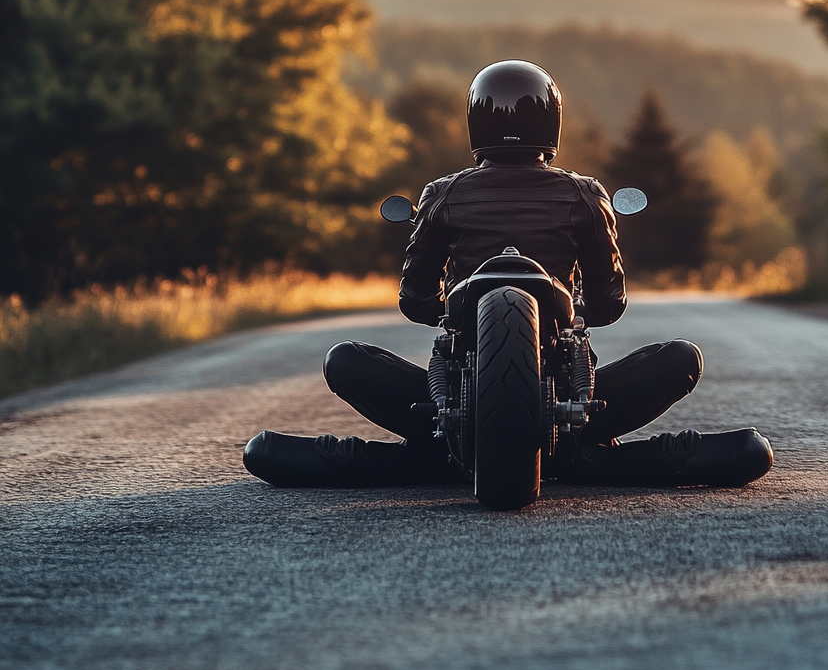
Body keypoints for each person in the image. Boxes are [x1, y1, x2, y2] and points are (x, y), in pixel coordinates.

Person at [243, 61, 773, 490]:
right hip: (571, 409)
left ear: (476, 121)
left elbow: (413, 299)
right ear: (553, 122)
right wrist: (576, 307)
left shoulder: (443, 193)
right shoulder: (584, 193)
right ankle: (582, 458)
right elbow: (610, 305)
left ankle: (436, 458)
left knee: (345, 360)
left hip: (453, 409)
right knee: (681, 357)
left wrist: (444, 306)